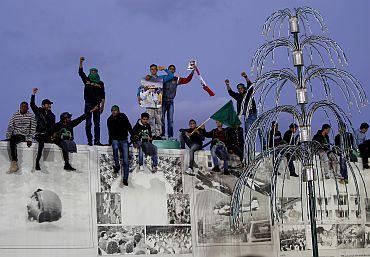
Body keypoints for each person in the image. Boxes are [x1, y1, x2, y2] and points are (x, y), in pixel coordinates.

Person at [52, 106, 98, 171]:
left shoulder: (71, 124)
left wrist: (91, 111)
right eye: (68, 118)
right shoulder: (57, 125)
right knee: (64, 144)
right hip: (59, 140)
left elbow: (81, 118)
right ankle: (67, 164)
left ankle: (67, 164)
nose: (70, 119)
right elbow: (52, 134)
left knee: (67, 143)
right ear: (64, 119)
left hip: (68, 140)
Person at [139, 64, 174, 139]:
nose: (153, 70)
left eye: (155, 69)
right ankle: (152, 134)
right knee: (150, 120)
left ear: (157, 70)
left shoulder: (161, 78)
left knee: (159, 120)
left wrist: (164, 69)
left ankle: (159, 135)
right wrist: (138, 96)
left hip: (158, 103)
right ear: (150, 70)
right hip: (149, 103)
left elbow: (171, 76)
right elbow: (140, 88)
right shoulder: (147, 78)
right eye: (152, 69)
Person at [161, 65, 194, 140]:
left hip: (171, 101)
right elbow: (155, 81)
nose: (172, 70)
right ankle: (162, 135)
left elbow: (187, 80)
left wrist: (192, 72)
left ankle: (170, 136)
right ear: (168, 70)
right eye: (170, 69)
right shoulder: (164, 78)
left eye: (173, 69)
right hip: (163, 101)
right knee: (162, 119)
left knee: (170, 120)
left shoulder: (177, 79)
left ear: (175, 70)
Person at [79, 56, 105, 146]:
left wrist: (102, 106)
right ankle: (89, 140)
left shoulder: (101, 83)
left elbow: (103, 95)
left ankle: (97, 141)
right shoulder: (87, 80)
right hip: (88, 103)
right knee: (88, 123)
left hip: (97, 104)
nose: (93, 73)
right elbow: (81, 73)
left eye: (95, 71)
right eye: (92, 71)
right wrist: (81, 62)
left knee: (97, 124)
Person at [6, 101, 37, 173]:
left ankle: (14, 162)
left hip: (24, 135)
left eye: (25, 107)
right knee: (12, 140)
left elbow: (33, 128)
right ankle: (14, 162)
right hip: (15, 134)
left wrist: (29, 139)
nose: (23, 108)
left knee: (13, 139)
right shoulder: (15, 115)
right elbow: (10, 126)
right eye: (22, 106)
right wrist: (8, 137)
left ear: (27, 108)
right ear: (20, 107)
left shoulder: (31, 116)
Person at [30, 88, 55, 171]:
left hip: (47, 134)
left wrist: (52, 135)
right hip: (39, 134)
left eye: (50, 104)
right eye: (48, 104)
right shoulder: (39, 111)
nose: (49, 105)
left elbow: (52, 127)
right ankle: (37, 162)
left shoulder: (52, 116)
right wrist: (33, 94)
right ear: (43, 105)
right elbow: (32, 105)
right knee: (41, 143)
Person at [107, 105, 133, 187]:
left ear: (118, 111)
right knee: (115, 147)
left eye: (115, 110)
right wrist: (109, 141)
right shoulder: (109, 119)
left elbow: (128, 126)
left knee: (125, 160)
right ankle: (117, 165)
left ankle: (125, 179)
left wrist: (132, 135)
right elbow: (109, 131)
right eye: (112, 111)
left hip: (124, 139)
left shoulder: (123, 116)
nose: (114, 112)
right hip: (115, 139)